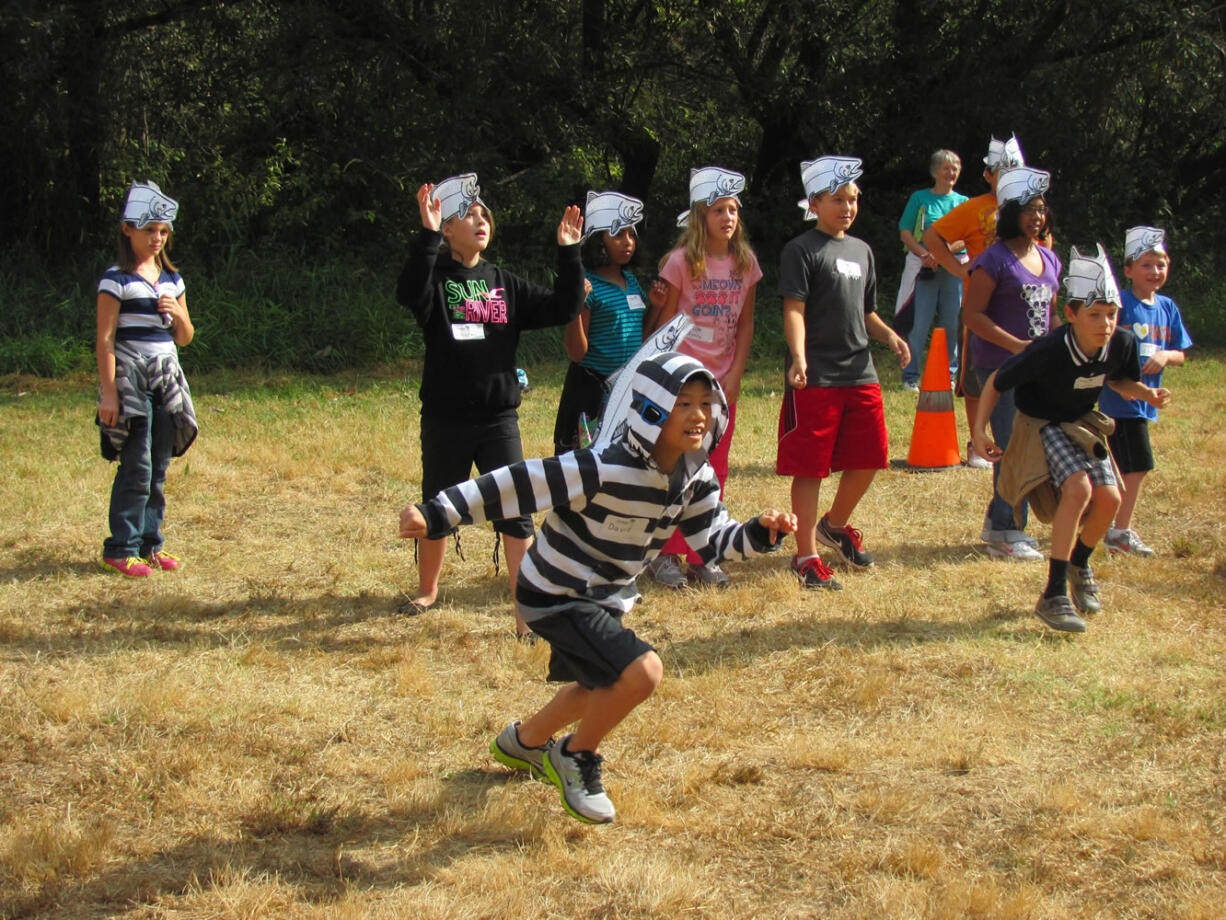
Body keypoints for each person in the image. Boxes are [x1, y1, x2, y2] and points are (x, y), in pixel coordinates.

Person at [398, 353, 796, 823]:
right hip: (553, 592)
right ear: (650, 408)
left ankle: (522, 743)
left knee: (597, 686)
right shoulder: (602, 467)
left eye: (706, 403)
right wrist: (438, 512)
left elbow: (712, 542)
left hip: (604, 595)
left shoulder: (696, 477)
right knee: (642, 672)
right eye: (682, 402)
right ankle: (574, 754)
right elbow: (519, 483)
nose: (698, 414)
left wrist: (760, 533)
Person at [395, 173, 585, 633]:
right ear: (447, 229)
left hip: (499, 418)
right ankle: (428, 590)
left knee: (516, 512)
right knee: (438, 504)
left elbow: (565, 304)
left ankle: (525, 613)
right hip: (446, 418)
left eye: (484, 214)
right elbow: (408, 292)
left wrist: (569, 250)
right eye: (468, 214)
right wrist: (425, 232)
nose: (480, 219)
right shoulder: (435, 278)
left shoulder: (505, 284)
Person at [972, 246, 1170, 633]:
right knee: (1078, 491)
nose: (1105, 324)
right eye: (1094, 315)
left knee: (1111, 498)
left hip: (1080, 422)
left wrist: (1146, 394)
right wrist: (979, 431)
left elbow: (1118, 379)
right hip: (1041, 423)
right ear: (1071, 314)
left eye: (1111, 315)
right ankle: (1054, 592)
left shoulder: (1121, 344)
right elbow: (997, 380)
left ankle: (1079, 564)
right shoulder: (1049, 349)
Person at [776, 156, 910, 590]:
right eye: (838, 200)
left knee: (871, 457)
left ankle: (834, 526)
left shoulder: (863, 250)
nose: (848, 207)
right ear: (815, 202)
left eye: (853, 199)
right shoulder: (800, 250)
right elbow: (793, 309)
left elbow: (866, 311)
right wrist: (799, 358)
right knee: (811, 469)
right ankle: (805, 556)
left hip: (861, 372)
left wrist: (889, 336)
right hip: (817, 377)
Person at [644, 167, 763, 588]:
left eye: (733, 210)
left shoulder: (745, 264)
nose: (727, 217)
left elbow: (746, 325)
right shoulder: (680, 263)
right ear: (700, 215)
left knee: (715, 470)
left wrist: (734, 377)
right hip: (683, 383)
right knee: (675, 469)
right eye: (718, 210)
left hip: (722, 386)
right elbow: (666, 327)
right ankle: (664, 554)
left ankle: (703, 553)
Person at [96, 181, 198, 578]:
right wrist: (109, 393)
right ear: (128, 230)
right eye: (149, 230)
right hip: (129, 384)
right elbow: (105, 338)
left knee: (158, 466)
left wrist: (179, 313)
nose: (156, 238)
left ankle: (150, 544)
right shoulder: (115, 279)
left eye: (163, 231)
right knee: (135, 465)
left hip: (166, 383)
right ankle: (121, 547)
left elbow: (185, 337)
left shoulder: (173, 279)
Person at [961, 166, 1060, 561]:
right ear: (1011, 212)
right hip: (999, 367)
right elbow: (972, 316)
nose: (1037, 217)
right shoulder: (993, 260)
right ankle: (1006, 529)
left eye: (1042, 209)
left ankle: (1003, 521)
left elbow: (1051, 314)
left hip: (1037, 367)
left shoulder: (1049, 258)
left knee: (1034, 443)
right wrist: (1016, 345)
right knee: (1010, 445)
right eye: (1029, 209)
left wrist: (1056, 349)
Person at [923, 135, 1040, 469]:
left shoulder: (1031, 211)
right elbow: (933, 236)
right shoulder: (976, 208)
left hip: (1024, 307)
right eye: (1003, 170)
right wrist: (960, 270)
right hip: (983, 306)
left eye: (1016, 169)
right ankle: (978, 442)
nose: (1010, 175)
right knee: (976, 377)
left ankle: (1023, 439)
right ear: (989, 175)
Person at [1099, 227, 1192, 556]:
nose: (1155, 272)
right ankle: (1119, 532)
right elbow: (1102, 347)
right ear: (1127, 270)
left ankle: (1104, 524)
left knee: (1120, 469)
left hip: (1143, 403)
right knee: (1136, 468)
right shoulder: (1120, 304)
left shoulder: (1167, 307)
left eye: (1161, 265)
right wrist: (1123, 385)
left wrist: (1167, 355)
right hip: (1119, 403)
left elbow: (1180, 352)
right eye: (1146, 265)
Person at [552, 191, 648, 454]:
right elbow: (576, 352)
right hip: (591, 395)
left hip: (627, 391)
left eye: (631, 234)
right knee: (585, 467)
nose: (627, 242)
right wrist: (576, 305)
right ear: (598, 241)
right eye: (618, 235)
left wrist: (660, 306)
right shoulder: (589, 285)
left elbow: (643, 336)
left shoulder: (632, 283)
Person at [894, 149, 969, 390]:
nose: (951, 172)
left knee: (952, 323)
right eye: (946, 168)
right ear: (935, 171)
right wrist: (925, 254)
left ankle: (950, 375)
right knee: (919, 323)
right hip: (924, 268)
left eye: (955, 168)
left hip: (953, 270)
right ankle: (910, 376)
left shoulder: (963, 202)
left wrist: (941, 254)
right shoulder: (919, 198)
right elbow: (905, 232)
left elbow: (968, 237)